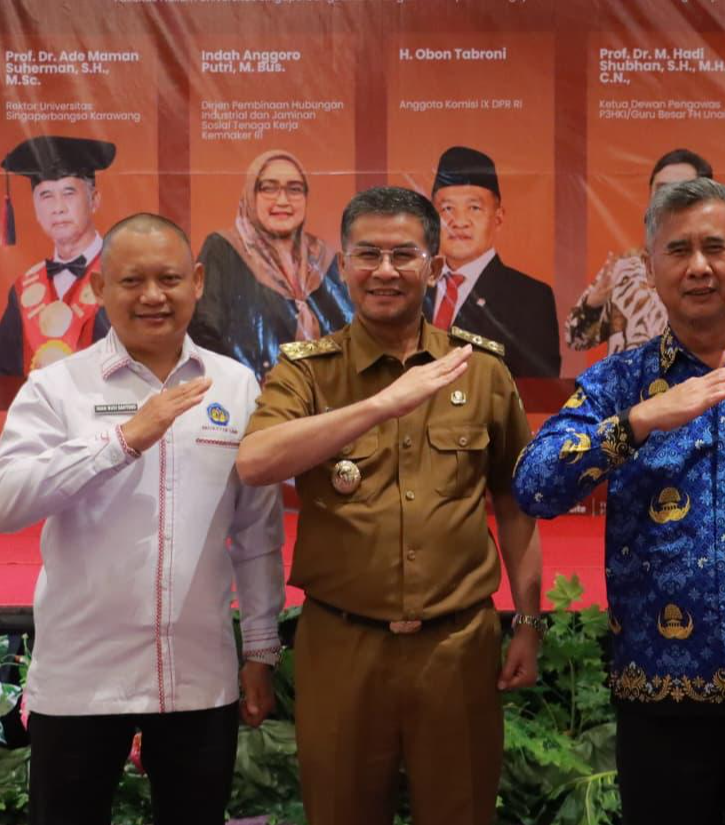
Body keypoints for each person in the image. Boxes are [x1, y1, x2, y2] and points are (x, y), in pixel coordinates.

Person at [514, 178, 725, 824]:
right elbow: (534, 485)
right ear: (650, 268)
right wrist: (637, 422)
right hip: (660, 703)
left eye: (715, 247)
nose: (698, 266)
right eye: (678, 250)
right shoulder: (617, 382)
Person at [237, 186, 543, 825]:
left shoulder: (480, 370)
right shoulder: (307, 372)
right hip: (342, 647)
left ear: (433, 267)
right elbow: (256, 461)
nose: (384, 270)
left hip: (456, 648)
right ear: (343, 266)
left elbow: (515, 501)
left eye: (403, 255)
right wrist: (379, 405)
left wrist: (528, 621)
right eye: (366, 255)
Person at [0, 213, 285, 825]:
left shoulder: (234, 386)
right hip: (81, 679)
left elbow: (257, 533)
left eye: (169, 279)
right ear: (101, 287)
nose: (153, 296)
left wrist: (261, 650)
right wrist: (124, 440)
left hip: (199, 678)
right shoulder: (56, 388)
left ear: (198, 281)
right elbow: (7, 502)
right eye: (132, 281)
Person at [565, 148, 725, 355]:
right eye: (662, 190)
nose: (698, 268)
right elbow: (575, 338)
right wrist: (593, 304)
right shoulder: (621, 271)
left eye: (682, 188)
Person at [189, 149, 353, 382]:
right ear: (250, 195)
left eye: (294, 189)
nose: (283, 201)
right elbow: (204, 333)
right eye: (268, 188)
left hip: (319, 391)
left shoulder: (323, 258)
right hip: (245, 392)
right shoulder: (223, 249)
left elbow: (345, 335)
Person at [426, 145, 561, 377]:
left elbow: (537, 388)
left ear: (498, 217)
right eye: (447, 208)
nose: (459, 221)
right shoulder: (412, 291)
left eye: (474, 208)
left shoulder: (531, 298)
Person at [0, 135, 115, 375]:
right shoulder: (21, 291)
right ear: (35, 209)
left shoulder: (125, 275)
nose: (58, 208)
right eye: (46, 196)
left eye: (69, 193)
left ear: (94, 200)